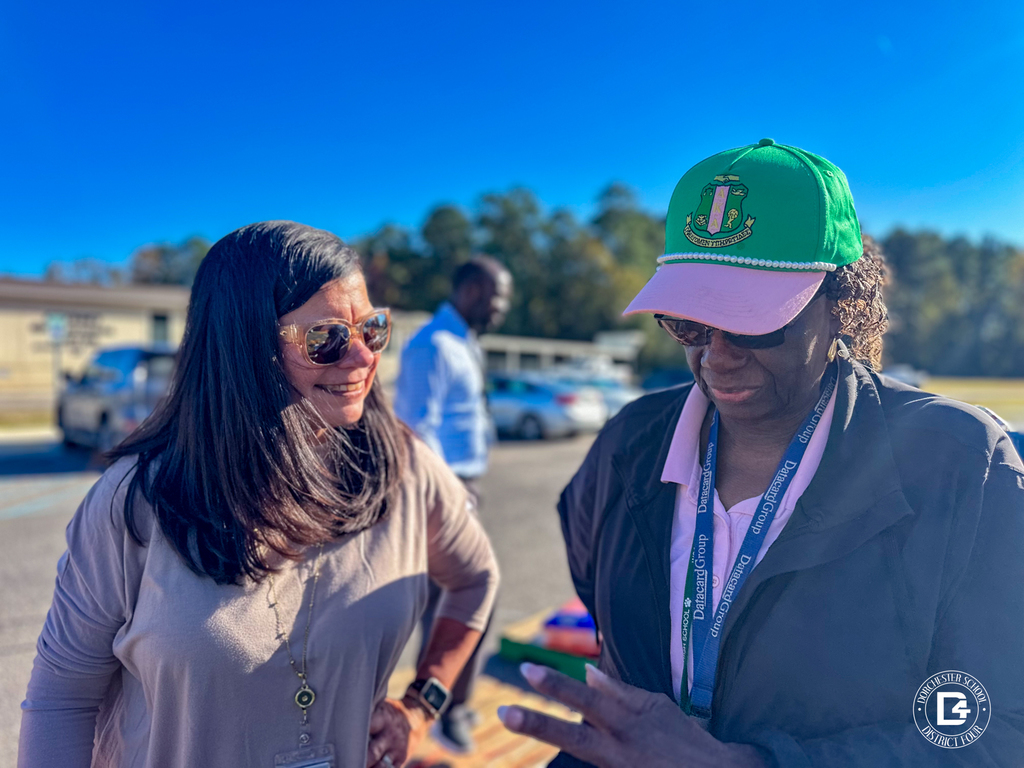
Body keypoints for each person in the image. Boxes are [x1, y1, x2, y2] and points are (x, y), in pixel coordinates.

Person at [498, 140, 1024, 766]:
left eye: (750, 320)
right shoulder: (628, 443)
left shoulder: (962, 464)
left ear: (839, 305)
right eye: (687, 322)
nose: (715, 355)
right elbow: (599, 591)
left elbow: (993, 727)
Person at [19, 221, 499, 768]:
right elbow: (62, 697)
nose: (364, 358)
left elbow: (476, 577)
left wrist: (422, 705)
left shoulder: (404, 470)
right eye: (325, 340)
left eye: (372, 329)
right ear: (244, 348)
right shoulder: (137, 502)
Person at [393, 255, 513, 753]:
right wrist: (450, 497)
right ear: (469, 291)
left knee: (455, 604)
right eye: (496, 295)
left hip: (461, 487)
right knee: (467, 600)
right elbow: (416, 430)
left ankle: (438, 708)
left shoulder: (463, 342)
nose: (502, 307)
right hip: (442, 493)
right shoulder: (433, 346)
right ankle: (436, 710)